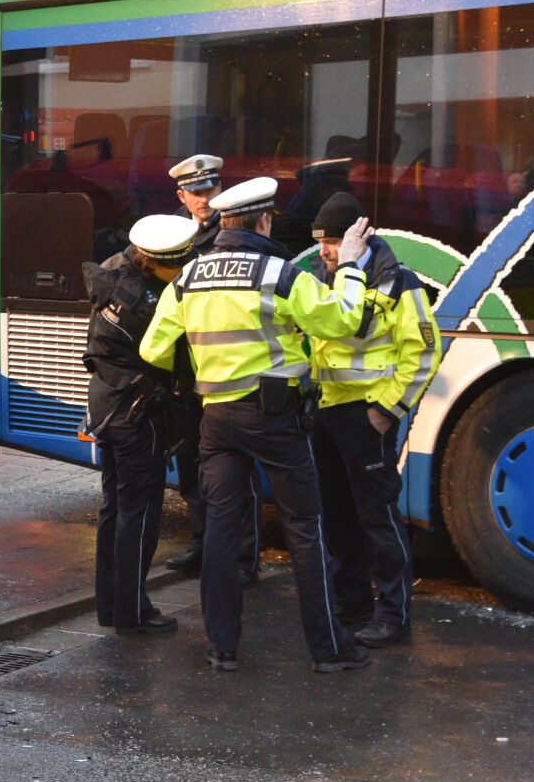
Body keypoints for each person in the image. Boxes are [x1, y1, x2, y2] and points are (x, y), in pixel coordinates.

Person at [140, 177, 372, 674]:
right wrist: (351, 265)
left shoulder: (190, 276)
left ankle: (222, 646)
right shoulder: (281, 274)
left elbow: (153, 349)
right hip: (274, 418)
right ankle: (329, 649)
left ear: (226, 222)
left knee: (221, 531)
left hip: (215, 420)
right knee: (304, 528)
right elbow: (344, 322)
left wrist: (203, 366)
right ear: (265, 221)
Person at [307, 192, 442, 648]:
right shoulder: (320, 278)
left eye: (332, 242)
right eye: (320, 242)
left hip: (367, 417)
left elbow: (423, 353)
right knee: (337, 518)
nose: (325, 251)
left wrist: (386, 411)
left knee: (378, 518)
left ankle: (393, 616)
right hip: (326, 413)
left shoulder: (400, 283)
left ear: (359, 238)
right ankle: (352, 607)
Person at [86, 214, 197, 635]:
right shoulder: (146, 302)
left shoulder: (113, 271)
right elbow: (171, 358)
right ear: (151, 261)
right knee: (140, 515)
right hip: (138, 412)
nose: (183, 272)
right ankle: (133, 613)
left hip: (109, 403)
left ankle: (111, 607)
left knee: (115, 509)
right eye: (177, 265)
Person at [164, 153, 262, 579]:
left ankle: (243, 560)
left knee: (235, 474)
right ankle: (202, 546)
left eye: (211, 190)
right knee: (192, 468)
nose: (205, 199)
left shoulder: (234, 233)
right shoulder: (170, 234)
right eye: (196, 192)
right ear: (181, 195)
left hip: (226, 371)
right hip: (187, 371)